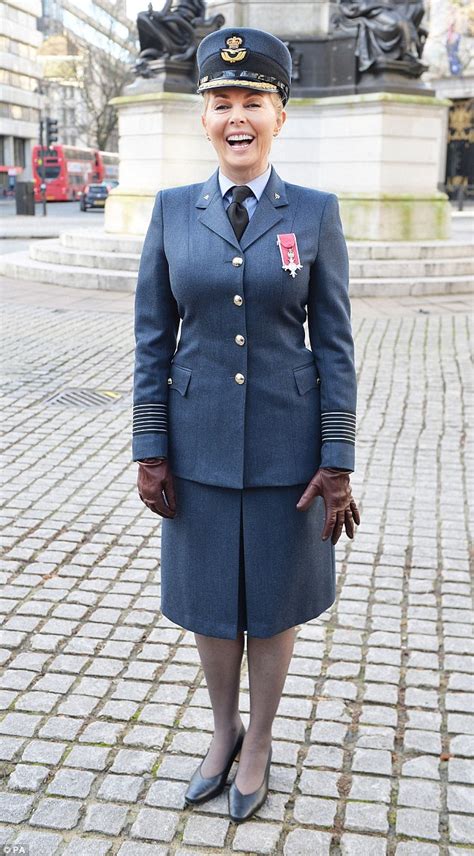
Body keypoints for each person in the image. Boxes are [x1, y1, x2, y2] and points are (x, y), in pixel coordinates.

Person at [132, 26, 360, 823]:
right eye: (221, 101)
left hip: (284, 448)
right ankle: (221, 728)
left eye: (252, 101)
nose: (237, 115)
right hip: (194, 447)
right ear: (203, 117)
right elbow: (152, 338)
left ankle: (259, 739)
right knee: (206, 600)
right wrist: (150, 448)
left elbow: (334, 343)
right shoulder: (170, 212)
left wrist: (338, 457)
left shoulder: (317, 215)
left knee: (270, 600)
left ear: (279, 114)